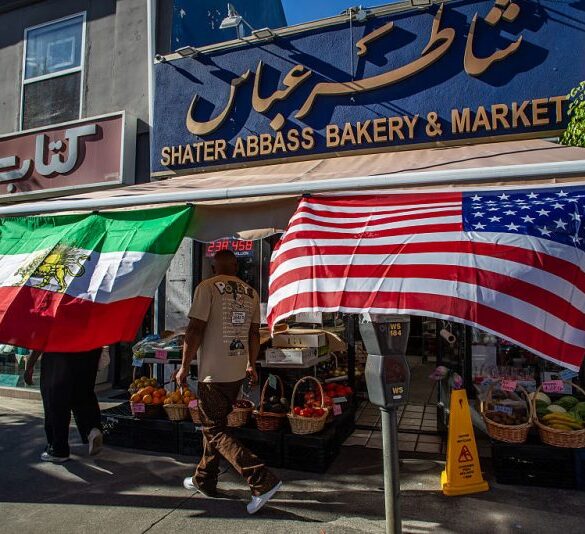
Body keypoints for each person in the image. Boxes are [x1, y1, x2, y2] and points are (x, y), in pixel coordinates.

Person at [175, 249, 282, 515]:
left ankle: (261, 480)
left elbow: (195, 329)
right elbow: (254, 335)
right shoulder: (251, 292)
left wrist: (184, 365)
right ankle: (204, 479)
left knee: (214, 430)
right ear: (236, 266)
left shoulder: (206, 287)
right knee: (216, 426)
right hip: (235, 372)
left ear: (213, 267)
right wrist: (250, 363)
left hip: (212, 374)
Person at [24, 348, 104, 462]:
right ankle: (92, 428)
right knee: (83, 393)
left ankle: (58, 449)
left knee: (55, 401)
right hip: (88, 352)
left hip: (58, 354)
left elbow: (42, 340)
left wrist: (29, 365)